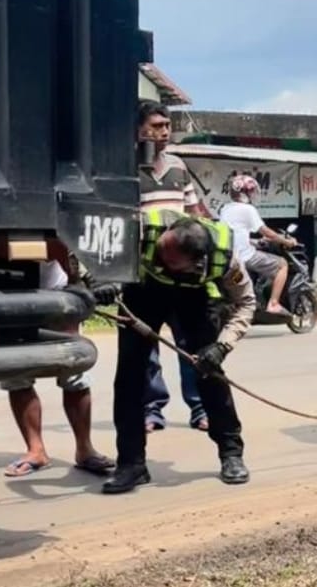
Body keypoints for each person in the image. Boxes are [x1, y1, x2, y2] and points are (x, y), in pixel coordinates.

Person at [96, 209, 255, 494]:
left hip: (193, 299)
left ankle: (231, 453)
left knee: (209, 374)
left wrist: (222, 345)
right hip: (143, 293)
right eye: (159, 252)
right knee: (129, 379)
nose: (158, 259)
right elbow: (95, 242)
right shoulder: (142, 227)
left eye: (167, 260)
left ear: (196, 263)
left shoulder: (224, 258)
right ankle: (131, 465)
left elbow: (246, 303)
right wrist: (100, 278)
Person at [1, 252, 115, 478]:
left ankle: (85, 448)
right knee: (17, 374)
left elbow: (66, 245)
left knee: (74, 372)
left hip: (56, 293)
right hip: (5, 295)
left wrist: (81, 282)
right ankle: (36, 451)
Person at [136, 99, 208, 432]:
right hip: (144, 274)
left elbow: (196, 216)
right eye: (156, 125)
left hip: (182, 275)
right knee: (147, 346)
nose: (164, 132)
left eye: (166, 126)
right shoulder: (125, 170)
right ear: (138, 130)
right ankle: (152, 409)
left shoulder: (179, 167)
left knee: (189, 344)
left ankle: (199, 408)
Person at [219, 175, 297, 315]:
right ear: (244, 193)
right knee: (282, 264)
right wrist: (287, 241)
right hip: (245, 256)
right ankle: (273, 304)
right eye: (251, 192)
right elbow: (268, 232)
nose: (252, 195)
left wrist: (256, 242)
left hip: (229, 256)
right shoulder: (248, 209)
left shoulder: (226, 208)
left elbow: (236, 235)